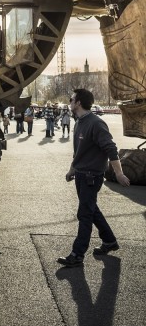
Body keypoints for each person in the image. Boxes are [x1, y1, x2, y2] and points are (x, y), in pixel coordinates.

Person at [57, 88, 130, 267]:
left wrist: (119, 173)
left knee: (84, 214)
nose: (70, 101)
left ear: (79, 102)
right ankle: (109, 241)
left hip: (91, 177)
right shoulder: (79, 122)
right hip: (81, 175)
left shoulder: (96, 124)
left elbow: (111, 149)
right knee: (91, 210)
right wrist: (72, 169)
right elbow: (78, 152)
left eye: (71, 99)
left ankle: (77, 254)